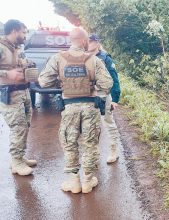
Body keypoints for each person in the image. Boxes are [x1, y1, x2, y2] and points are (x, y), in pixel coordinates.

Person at [38, 27, 112, 194]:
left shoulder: (58, 58)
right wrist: (96, 92)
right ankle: (87, 181)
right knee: (90, 144)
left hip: (69, 107)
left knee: (70, 144)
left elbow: (43, 82)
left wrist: (61, 82)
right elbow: (107, 83)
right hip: (90, 107)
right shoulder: (94, 60)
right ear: (85, 41)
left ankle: (74, 182)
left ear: (70, 41)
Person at [0, 19, 37, 176]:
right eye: (23, 32)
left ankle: (20, 157)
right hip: (9, 93)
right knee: (18, 127)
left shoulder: (16, 48)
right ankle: (16, 163)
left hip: (24, 92)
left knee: (25, 125)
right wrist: (7, 73)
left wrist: (29, 64)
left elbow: (20, 63)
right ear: (14, 31)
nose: (24, 35)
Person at [88, 34, 121, 164]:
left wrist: (115, 99)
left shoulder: (105, 58)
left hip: (103, 95)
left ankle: (114, 151)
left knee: (108, 123)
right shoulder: (83, 57)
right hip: (89, 96)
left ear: (96, 43)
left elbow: (114, 79)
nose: (88, 44)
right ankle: (94, 153)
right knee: (91, 126)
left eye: (90, 42)